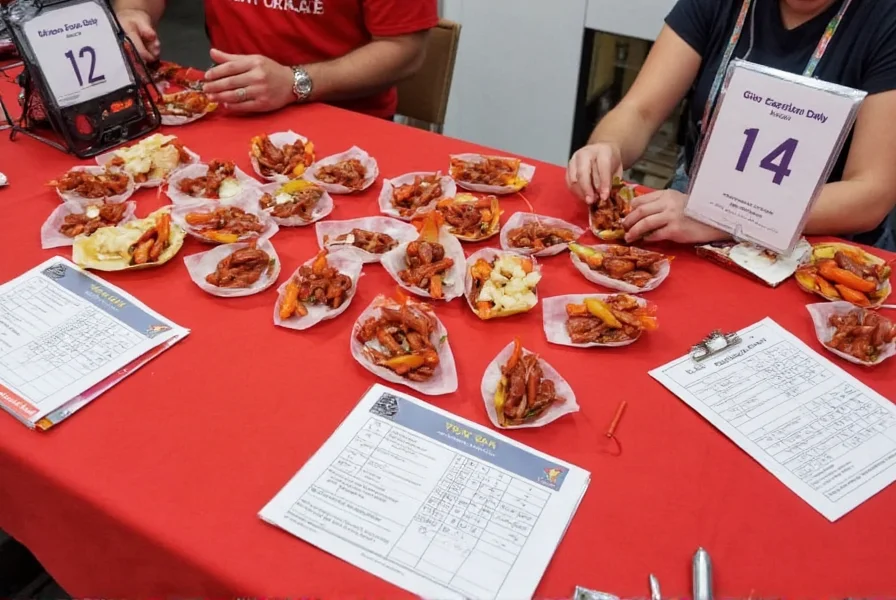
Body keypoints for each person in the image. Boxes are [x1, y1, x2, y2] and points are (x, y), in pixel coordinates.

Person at [567, 0, 896, 251]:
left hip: (820, 238)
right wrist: (609, 145)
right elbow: (640, 110)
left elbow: (870, 194)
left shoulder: (884, 20)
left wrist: (724, 215)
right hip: (693, 209)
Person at [114, 0, 438, 119]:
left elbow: (404, 50)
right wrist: (133, 12)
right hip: (229, 107)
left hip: (343, 119)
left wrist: (293, 82)